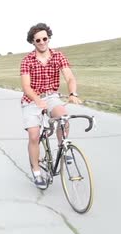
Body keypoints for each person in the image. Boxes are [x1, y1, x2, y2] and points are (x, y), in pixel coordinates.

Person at [20, 23, 82, 189]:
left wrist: (72, 93)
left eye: (44, 38)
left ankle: (63, 149)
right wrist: (37, 100)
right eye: (38, 40)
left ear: (49, 38)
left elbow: (70, 77)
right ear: (33, 42)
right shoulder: (27, 60)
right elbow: (26, 86)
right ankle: (36, 172)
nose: (42, 42)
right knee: (34, 135)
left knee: (63, 118)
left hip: (51, 96)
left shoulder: (58, 56)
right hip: (31, 99)